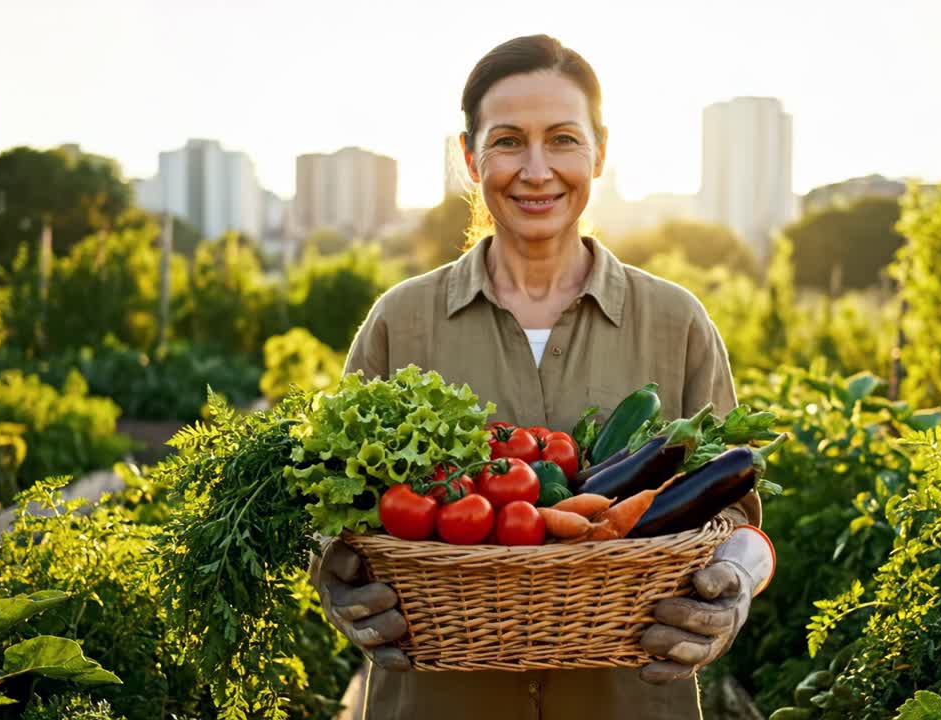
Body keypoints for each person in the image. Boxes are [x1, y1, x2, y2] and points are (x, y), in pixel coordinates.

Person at [312, 34, 773, 720]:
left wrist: (734, 582)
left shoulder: (676, 321)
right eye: (507, 142)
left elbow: (739, 512)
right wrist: (335, 581)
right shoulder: (399, 322)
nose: (536, 170)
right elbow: (332, 508)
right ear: (470, 158)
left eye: (562, 139)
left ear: (600, 153)